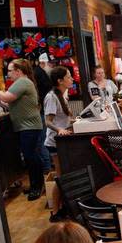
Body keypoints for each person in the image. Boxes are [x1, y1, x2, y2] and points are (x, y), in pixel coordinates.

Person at [0, 59, 48, 201]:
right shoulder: (23, 82)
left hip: (29, 126)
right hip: (27, 126)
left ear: (18, 71)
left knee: (31, 156)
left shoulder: (22, 82)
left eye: (10, 71)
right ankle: (35, 185)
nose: (8, 74)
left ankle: (38, 187)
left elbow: (6, 96)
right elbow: (10, 103)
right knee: (31, 156)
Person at [43, 66, 74, 220]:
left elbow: (63, 118)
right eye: (69, 77)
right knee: (61, 177)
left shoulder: (62, 95)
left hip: (62, 141)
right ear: (60, 80)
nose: (72, 79)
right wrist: (59, 129)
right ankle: (55, 212)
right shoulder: (51, 97)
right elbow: (48, 122)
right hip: (54, 142)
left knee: (65, 175)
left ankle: (63, 207)